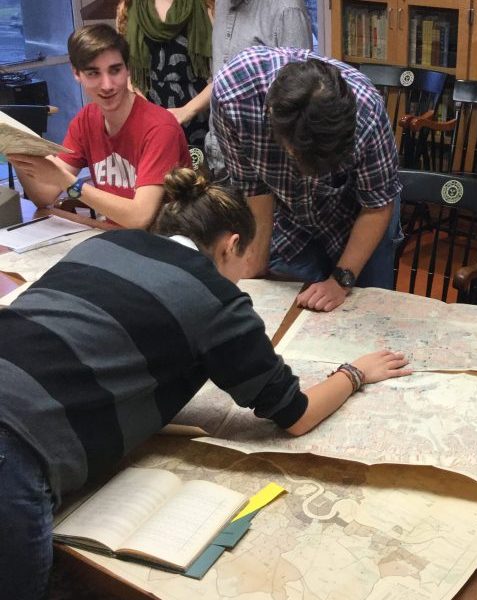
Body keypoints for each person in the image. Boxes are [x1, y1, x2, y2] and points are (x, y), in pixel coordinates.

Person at [0, 166, 411, 600]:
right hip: (15, 455)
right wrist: (355, 373)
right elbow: (296, 414)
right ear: (231, 245)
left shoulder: (106, 241)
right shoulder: (217, 299)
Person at [212, 47, 402, 312]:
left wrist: (341, 280)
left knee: (367, 310)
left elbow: (377, 205)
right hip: (291, 218)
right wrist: (254, 265)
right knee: (290, 307)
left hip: (361, 213)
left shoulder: (367, 114)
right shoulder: (235, 96)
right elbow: (253, 187)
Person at [8, 24, 190, 229]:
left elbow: (139, 219)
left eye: (115, 70)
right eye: (93, 73)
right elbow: (45, 195)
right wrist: (15, 148)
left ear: (127, 69)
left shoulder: (160, 128)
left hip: (165, 244)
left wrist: (67, 182)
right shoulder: (86, 119)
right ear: (76, 73)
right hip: (116, 236)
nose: (107, 85)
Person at [202, 0, 313, 177]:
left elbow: (298, 97)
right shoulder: (221, 4)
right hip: (220, 149)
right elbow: (220, 72)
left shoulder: (288, 10)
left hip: (263, 161)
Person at [116, 0, 214, 147]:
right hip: (148, 117)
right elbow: (125, 73)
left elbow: (224, 76)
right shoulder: (128, 9)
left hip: (198, 114)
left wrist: (187, 111)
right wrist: (151, 113)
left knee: (198, 168)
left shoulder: (206, 6)